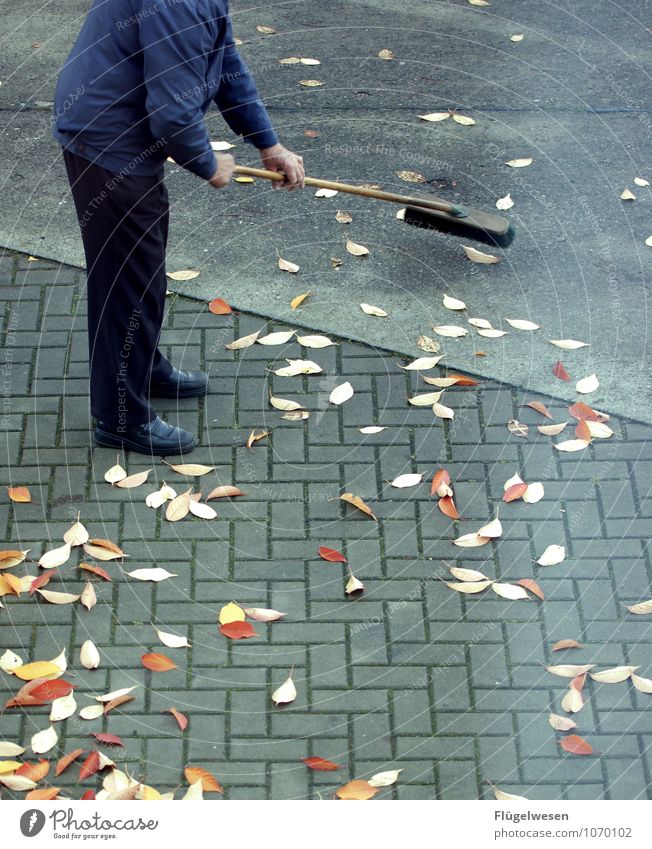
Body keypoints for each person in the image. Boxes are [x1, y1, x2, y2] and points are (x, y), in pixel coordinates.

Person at [53, 0, 305, 455]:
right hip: (110, 141)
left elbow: (223, 59)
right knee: (126, 283)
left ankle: (143, 367)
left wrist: (268, 142)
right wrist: (207, 162)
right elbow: (171, 108)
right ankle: (120, 418)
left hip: (122, 133)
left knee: (143, 274)